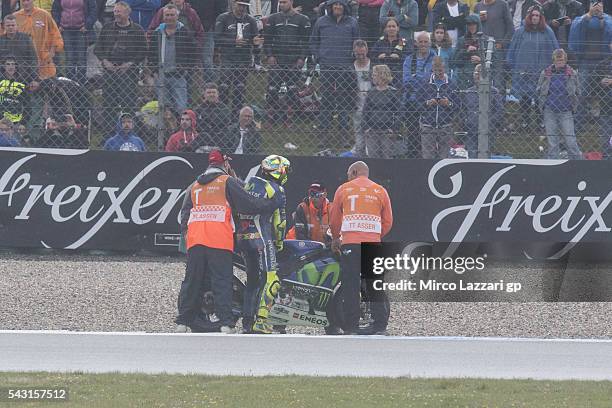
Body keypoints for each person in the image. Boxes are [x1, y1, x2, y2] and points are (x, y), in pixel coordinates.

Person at [177, 149, 282, 333]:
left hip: (196, 239)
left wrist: (187, 234)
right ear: (225, 164)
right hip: (219, 239)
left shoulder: (195, 185)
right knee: (221, 280)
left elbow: (185, 214)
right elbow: (249, 204)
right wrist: (272, 204)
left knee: (192, 280)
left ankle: (183, 321)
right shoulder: (226, 182)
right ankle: (226, 323)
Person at [329, 161, 393, 335]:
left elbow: (334, 218)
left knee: (350, 285)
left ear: (355, 172)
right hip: (372, 243)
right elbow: (388, 221)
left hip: (350, 243)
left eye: (349, 173)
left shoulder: (343, 189)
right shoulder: (380, 190)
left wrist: (336, 238)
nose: (348, 177)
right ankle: (380, 326)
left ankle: (351, 326)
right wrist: (375, 235)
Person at [237, 154, 290, 334]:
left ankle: (247, 322)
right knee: (271, 279)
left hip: (243, 238)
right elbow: (279, 222)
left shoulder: (249, 182)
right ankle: (261, 321)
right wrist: (280, 242)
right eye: (285, 170)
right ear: (278, 171)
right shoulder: (276, 189)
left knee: (253, 281)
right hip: (262, 238)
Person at [310, 0, 360, 144]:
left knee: (344, 101)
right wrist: (318, 56)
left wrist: (352, 56)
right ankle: (323, 136)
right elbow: (313, 42)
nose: (337, 7)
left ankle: (344, 136)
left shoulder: (352, 22)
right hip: (327, 67)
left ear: (345, 7)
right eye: (335, 4)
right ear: (330, 7)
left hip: (345, 67)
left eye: (340, 4)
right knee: (326, 101)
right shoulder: (321, 22)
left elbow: (357, 42)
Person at [94, 1, 147, 131]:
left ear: (128, 13)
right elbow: (98, 48)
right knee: (108, 104)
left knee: (128, 104)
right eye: (115, 11)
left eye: (119, 11)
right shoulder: (107, 28)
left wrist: (130, 63)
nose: (116, 14)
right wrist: (105, 61)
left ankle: (130, 132)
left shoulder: (137, 30)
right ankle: (108, 133)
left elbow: (143, 50)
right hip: (110, 72)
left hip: (129, 74)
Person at [507, 5, 559, 128]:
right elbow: (513, 48)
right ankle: (525, 121)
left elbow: (555, 48)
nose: (535, 18)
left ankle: (541, 121)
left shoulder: (547, 31)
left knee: (541, 97)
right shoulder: (521, 31)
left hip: (542, 71)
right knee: (525, 97)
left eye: (537, 15)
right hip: (524, 71)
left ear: (541, 17)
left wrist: (555, 65)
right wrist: (510, 62)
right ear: (529, 17)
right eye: (533, 15)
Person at [263, 0, 311, 125]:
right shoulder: (273, 18)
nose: (281, 4)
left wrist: (301, 58)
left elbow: (306, 42)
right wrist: (269, 55)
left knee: (292, 90)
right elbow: (267, 39)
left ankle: (289, 120)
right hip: (277, 60)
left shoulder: (302, 19)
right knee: (272, 89)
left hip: (293, 61)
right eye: (280, 2)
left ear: (291, 2)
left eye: (284, 2)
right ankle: (270, 118)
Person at [568, 1, 612, 131]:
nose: (597, 7)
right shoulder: (581, 19)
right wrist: (589, 16)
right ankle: (578, 124)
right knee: (582, 93)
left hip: (605, 63)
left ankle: (605, 126)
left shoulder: (609, 19)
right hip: (586, 62)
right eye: (594, 4)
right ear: (589, 6)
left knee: (606, 95)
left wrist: (602, 19)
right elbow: (575, 29)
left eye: (600, 4)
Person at [215, 0, 263, 113]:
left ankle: (236, 114)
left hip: (244, 59)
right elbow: (217, 38)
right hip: (227, 57)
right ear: (233, 4)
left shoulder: (250, 20)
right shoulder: (223, 18)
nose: (242, 8)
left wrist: (256, 43)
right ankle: (222, 112)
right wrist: (233, 41)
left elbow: (255, 39)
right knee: (224, 86)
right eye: (240, 5)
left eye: (244, 6)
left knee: (239, 87)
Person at [147, 3, 197, 113]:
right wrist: (154, 71)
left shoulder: (185, 32)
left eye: (172, 15)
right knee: (165, 108)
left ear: (177, 16)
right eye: (167, 15)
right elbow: (151, 53)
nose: (169, 18)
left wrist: (186, 69)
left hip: (178, 75)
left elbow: (193, 52)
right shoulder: (157, 32)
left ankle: (181, 128)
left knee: (181, 106)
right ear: (163, 17)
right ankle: (167, 130)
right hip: (161, 75)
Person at [537, 48, 582, 159]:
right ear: (553, 60)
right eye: (557, 61)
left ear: (565, 60)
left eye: (561, 60)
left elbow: (578, 91)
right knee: (552, 142)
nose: (559, 63)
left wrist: (573, 104)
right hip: (550, 110)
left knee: (570, 139)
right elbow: (539, 88)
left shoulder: (572, 73)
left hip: (566, 111)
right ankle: (552, 164)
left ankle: (578, 163)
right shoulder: (546, 73)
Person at [402, 31, 436, 156]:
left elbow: (433, 79)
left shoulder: (435, 58)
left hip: (429, 101)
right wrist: (422, 79)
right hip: (411, 101)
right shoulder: (409, 59)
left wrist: (416, 77)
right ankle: (412, 157)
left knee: (428, 134)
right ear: (416, 43)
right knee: (412, 132)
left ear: (430, 43)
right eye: (420, 42)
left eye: (425, 42)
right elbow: (406, 81)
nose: (423, 44)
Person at [417, 56, 458, 158]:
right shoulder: (425, 83)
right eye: (436, 70)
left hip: (445, 125)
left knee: (444, 156)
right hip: (427, 124)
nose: (438, 72)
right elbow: (417, 103)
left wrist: (448, 103)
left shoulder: (452, 84)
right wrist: (428, 103)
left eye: (440, 70)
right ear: (432, 68)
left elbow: (458, 105)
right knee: (427, 156)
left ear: (445, 68)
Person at [15, 0, 65, 80]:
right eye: (23, 1)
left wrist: (52, 51)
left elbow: (54, 33)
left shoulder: (44, 14)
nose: (25, 3)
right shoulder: (16, 16)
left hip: (43, 56)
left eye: (28, 0)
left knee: (47, 83)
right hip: (22, 57)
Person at [461, 63, 503, 157]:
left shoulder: (494, 92)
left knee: (485, 155)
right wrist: (466, 121)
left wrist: (488, 121)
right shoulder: (468, 92)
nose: (477, 75)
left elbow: (499, 111)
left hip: (488, 130)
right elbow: (463, 110)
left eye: (479, 73)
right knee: (472, 154)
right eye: (475, 73)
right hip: (471, 130)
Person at [51, 0, 97, 84]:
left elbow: (93, 11)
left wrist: (87, 25)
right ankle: (70, 84)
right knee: (69, 58)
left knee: (81, 59)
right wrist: (58, 25)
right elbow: (55, 10)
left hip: (81, 30)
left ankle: (81, 84)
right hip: (65, 30)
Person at [362, 64, 402, 158]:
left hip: (387, 131)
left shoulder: (393, 93)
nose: (372, 77)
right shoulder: (371, 92)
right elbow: (365, 111)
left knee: (387, 156)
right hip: (372, 130)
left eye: (375, 74)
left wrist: (393, 128)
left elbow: (399, 113)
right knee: (373, 157)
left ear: (382, 75)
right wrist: (366, 127)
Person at [474, 0, 514, 88]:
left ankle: (498, 100)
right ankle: (481, 101)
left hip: (498, 50)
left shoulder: (503, 4)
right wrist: (478, 20)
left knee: (498, 79)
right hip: (482, 49)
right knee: (481, 78)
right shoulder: (478, 6)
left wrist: (502, 43)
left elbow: (510, 27)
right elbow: (473, 28)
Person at [0, 14, 39, 87]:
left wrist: (34, 79)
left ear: (17, 25)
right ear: (4, 26)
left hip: (24, 78)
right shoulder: (0, 41)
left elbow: (33, 59)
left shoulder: (25, 39)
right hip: (3, 79)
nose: (11, 27)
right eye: (8, 25)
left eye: (13, 25)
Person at [371, 17, 407, 88]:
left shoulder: (403, 42)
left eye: (393, 26)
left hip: (398, 74)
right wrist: (379, 57)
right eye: (389, 26)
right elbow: (372, 55)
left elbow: (409, 56)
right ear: (385, 29)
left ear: (398, 28)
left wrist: (399, 57)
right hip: (382, 76)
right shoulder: (379, 42)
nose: (391, 28)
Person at [352, 39, 372, 156]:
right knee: (358, 132)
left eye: (363, 54)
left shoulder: (373, 65)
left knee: (371, 132)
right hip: (357, 104)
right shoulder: (351, 67)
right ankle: (359, 153)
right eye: (358, 54)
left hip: (372, 105)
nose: (360, 57)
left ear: (367, 51)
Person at [452, 13, 482, 89]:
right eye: (469, 24)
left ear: (478, 24)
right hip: (464, 78)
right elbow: (454, 61)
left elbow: (494, 61)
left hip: (481, 77)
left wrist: (481, 60)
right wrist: (466, 51)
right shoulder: (461, 40)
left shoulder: (485, 40)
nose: (471, 27)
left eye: (474, 24)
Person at [0, 56, 30, 125]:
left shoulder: (22, 82)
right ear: (4, 67)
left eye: (13, 64)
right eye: (8, 64)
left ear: (16, 67)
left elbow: (27, 104)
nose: (11, 67)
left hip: (16, 121)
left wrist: (23, 123)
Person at [593, 43, 611, 157]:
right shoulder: (603, 64)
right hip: (606, 107)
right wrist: (600, 82)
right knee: (605, 136)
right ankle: (606, 159)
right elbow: (593, 83)